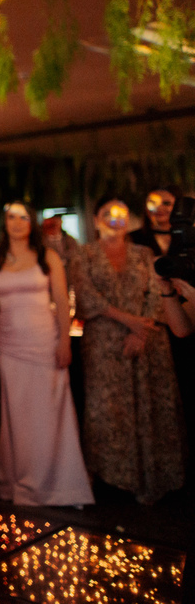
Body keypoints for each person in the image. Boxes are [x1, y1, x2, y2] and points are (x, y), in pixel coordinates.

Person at [0, 203, 93, 508]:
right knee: (17, 415)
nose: (17, 222)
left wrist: (64, 341)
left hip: (44, 342)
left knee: (51, 412)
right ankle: (22, 483)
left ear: (32, 222)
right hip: (9, 345)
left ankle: (61, 486)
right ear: (4, 222)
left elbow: (62, 302)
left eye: (23, 216)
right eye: (11, 216)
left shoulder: (47, 256)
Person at [71, 195, 188, 505]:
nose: (115, 217)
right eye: (108, 212)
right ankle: (111, 478)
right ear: (95, 220)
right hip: (105, 344)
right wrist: (129, 321)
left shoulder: (144, 252)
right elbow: (86, 295)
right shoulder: (83, 255)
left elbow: (157, 292)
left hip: (149, 341)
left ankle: (153, 481)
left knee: (151, 406)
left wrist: (142, 329)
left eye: (121, 212)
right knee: (108, 410)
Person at [129, 186, 195, 482]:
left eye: (166, 203)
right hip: (160, 330)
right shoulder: (137, 242)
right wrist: (167, 291)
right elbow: (183, 328)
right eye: (152, 203)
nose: (160, 209)